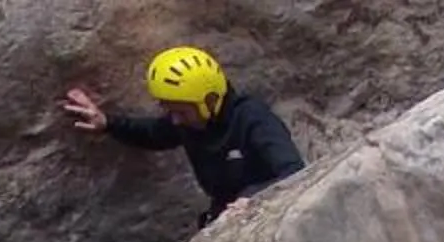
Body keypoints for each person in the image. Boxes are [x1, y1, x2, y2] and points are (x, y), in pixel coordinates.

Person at [60, 46, 303, 226]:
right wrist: (107, 123)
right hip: (222, 218)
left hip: (268, 216)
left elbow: (293, 170)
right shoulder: (192, 122)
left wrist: (253, 198)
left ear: (209, 101)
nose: (175, 120)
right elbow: (153, 134)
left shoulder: (251, 118)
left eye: (181, 112)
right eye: (169, 111)